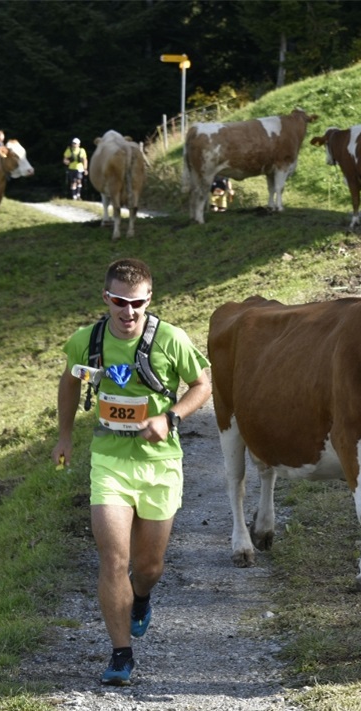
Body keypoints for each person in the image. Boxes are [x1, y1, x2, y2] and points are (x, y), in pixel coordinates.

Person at [52, 258, 212, 686]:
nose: (129, 312)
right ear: (106, 298)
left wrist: (171, 418)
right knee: (113, 558)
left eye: (137, 303)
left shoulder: (171, 339)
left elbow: (202, 385)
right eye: (120, 302)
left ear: (149, 299)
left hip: (160, 465)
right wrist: (64, 437)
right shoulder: (86, 341)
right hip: (109, 461)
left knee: (148, 566)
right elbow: (70, 381)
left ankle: (141, 597)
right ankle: (121, 653)